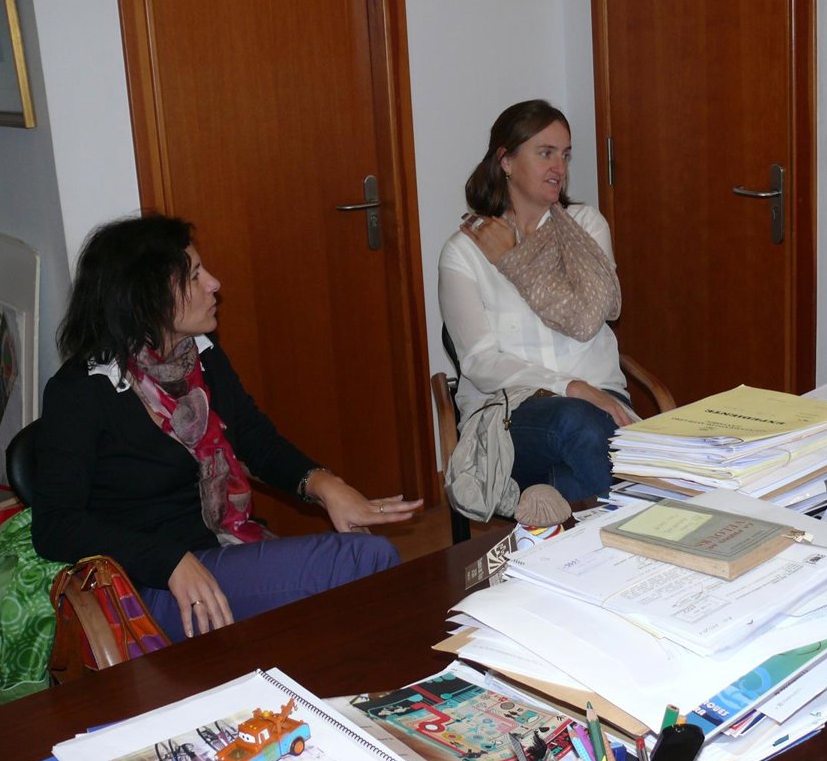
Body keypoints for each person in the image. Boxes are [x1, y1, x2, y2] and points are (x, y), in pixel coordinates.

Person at [31, 215, 422, 642]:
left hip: (220, 551)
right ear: (144, 300)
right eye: (194, 276)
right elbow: (55, 525)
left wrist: (327, 486)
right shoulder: (80, 392)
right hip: (152, 587)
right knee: (363, 561)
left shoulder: (198, 354)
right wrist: (168, 560)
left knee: (352, 588)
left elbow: (254, 438)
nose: (214, 283)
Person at [438, 99, 631, 506]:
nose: (559, 167)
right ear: (506, 161)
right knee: (578, 422)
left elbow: (588, 317)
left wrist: (516, 260)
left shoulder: (586, 227)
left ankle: (548, 502)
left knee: (575, 466)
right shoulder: (464, 252)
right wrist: (570, 387)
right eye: (545, 153)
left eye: (565, 155)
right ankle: (640, 523)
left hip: (602, 401)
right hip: (511, 415)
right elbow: (480, 362)